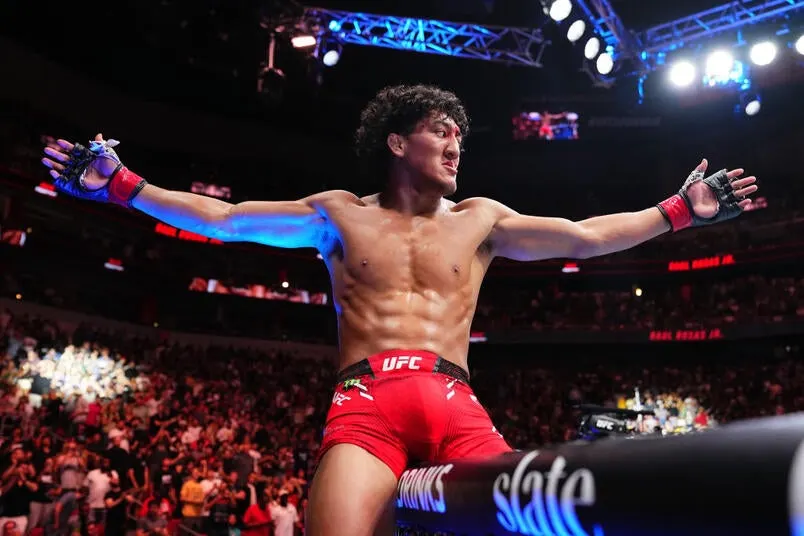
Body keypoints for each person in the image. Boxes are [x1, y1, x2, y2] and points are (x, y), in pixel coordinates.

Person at [41, 84, 758, 535]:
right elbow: (225, 219)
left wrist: (678, 211)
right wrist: (122, 185)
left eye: (459, 137)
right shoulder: (338, 215)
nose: (455, 145)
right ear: (397, 141)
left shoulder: (481, 219)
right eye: (441, 131)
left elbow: (586, 236)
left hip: (457, 403)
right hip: (366, 407)